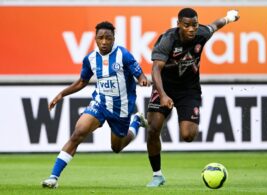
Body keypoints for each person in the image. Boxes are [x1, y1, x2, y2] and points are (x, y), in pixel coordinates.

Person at [42, 21, 149, 188]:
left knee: (116, 147)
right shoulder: (90, 58)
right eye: (101, 38)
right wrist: (62, 94)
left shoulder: (123, 55)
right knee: (78, 132)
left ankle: (135, 122)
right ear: (95, 39)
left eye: (108, 38)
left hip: (121, 109)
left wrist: (143, 81)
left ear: (114, 39)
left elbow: (140, 74)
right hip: (100, 103)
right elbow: (82, 82)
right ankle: (53, 177)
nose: (104, 42)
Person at [146, 8, 240, 187]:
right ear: (179, 24)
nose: (191, 29)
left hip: (189, 90)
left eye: (194, 25)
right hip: (164, 88)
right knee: (153, 129)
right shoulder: (168, 40)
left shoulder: (202, 34)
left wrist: (230, 17)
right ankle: (157, 175)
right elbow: (155, 69)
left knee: (188, 135)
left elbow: (215, 25)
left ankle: (160, 117)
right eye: (187, 25)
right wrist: (164, 95)